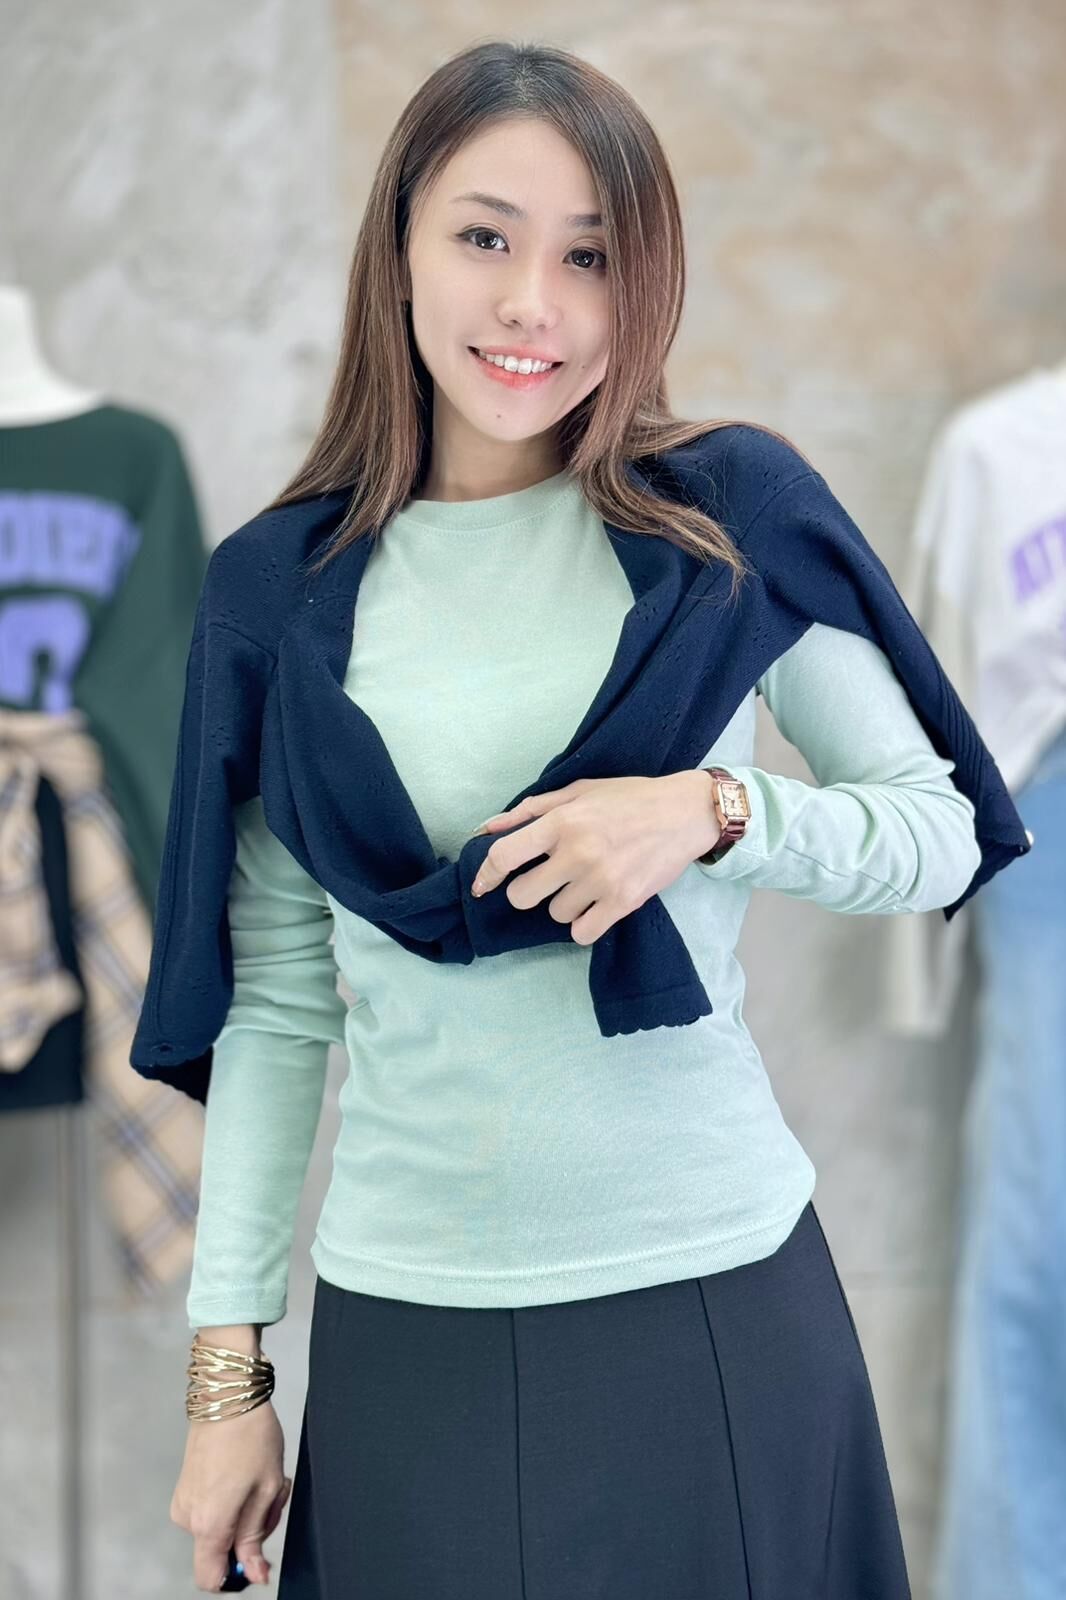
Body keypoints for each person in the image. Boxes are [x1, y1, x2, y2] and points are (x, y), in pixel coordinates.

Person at [161, 38, 998, 1599]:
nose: (530, 303)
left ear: (641, 285)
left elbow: (934, 830)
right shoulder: (273, 593)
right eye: (484, 237)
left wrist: (713, 811)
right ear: (399, 249)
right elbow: (273, 1009)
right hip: (406, 1332)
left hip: (716, 1304)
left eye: (588, 257)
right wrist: (229, 1380)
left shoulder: (729, 518)